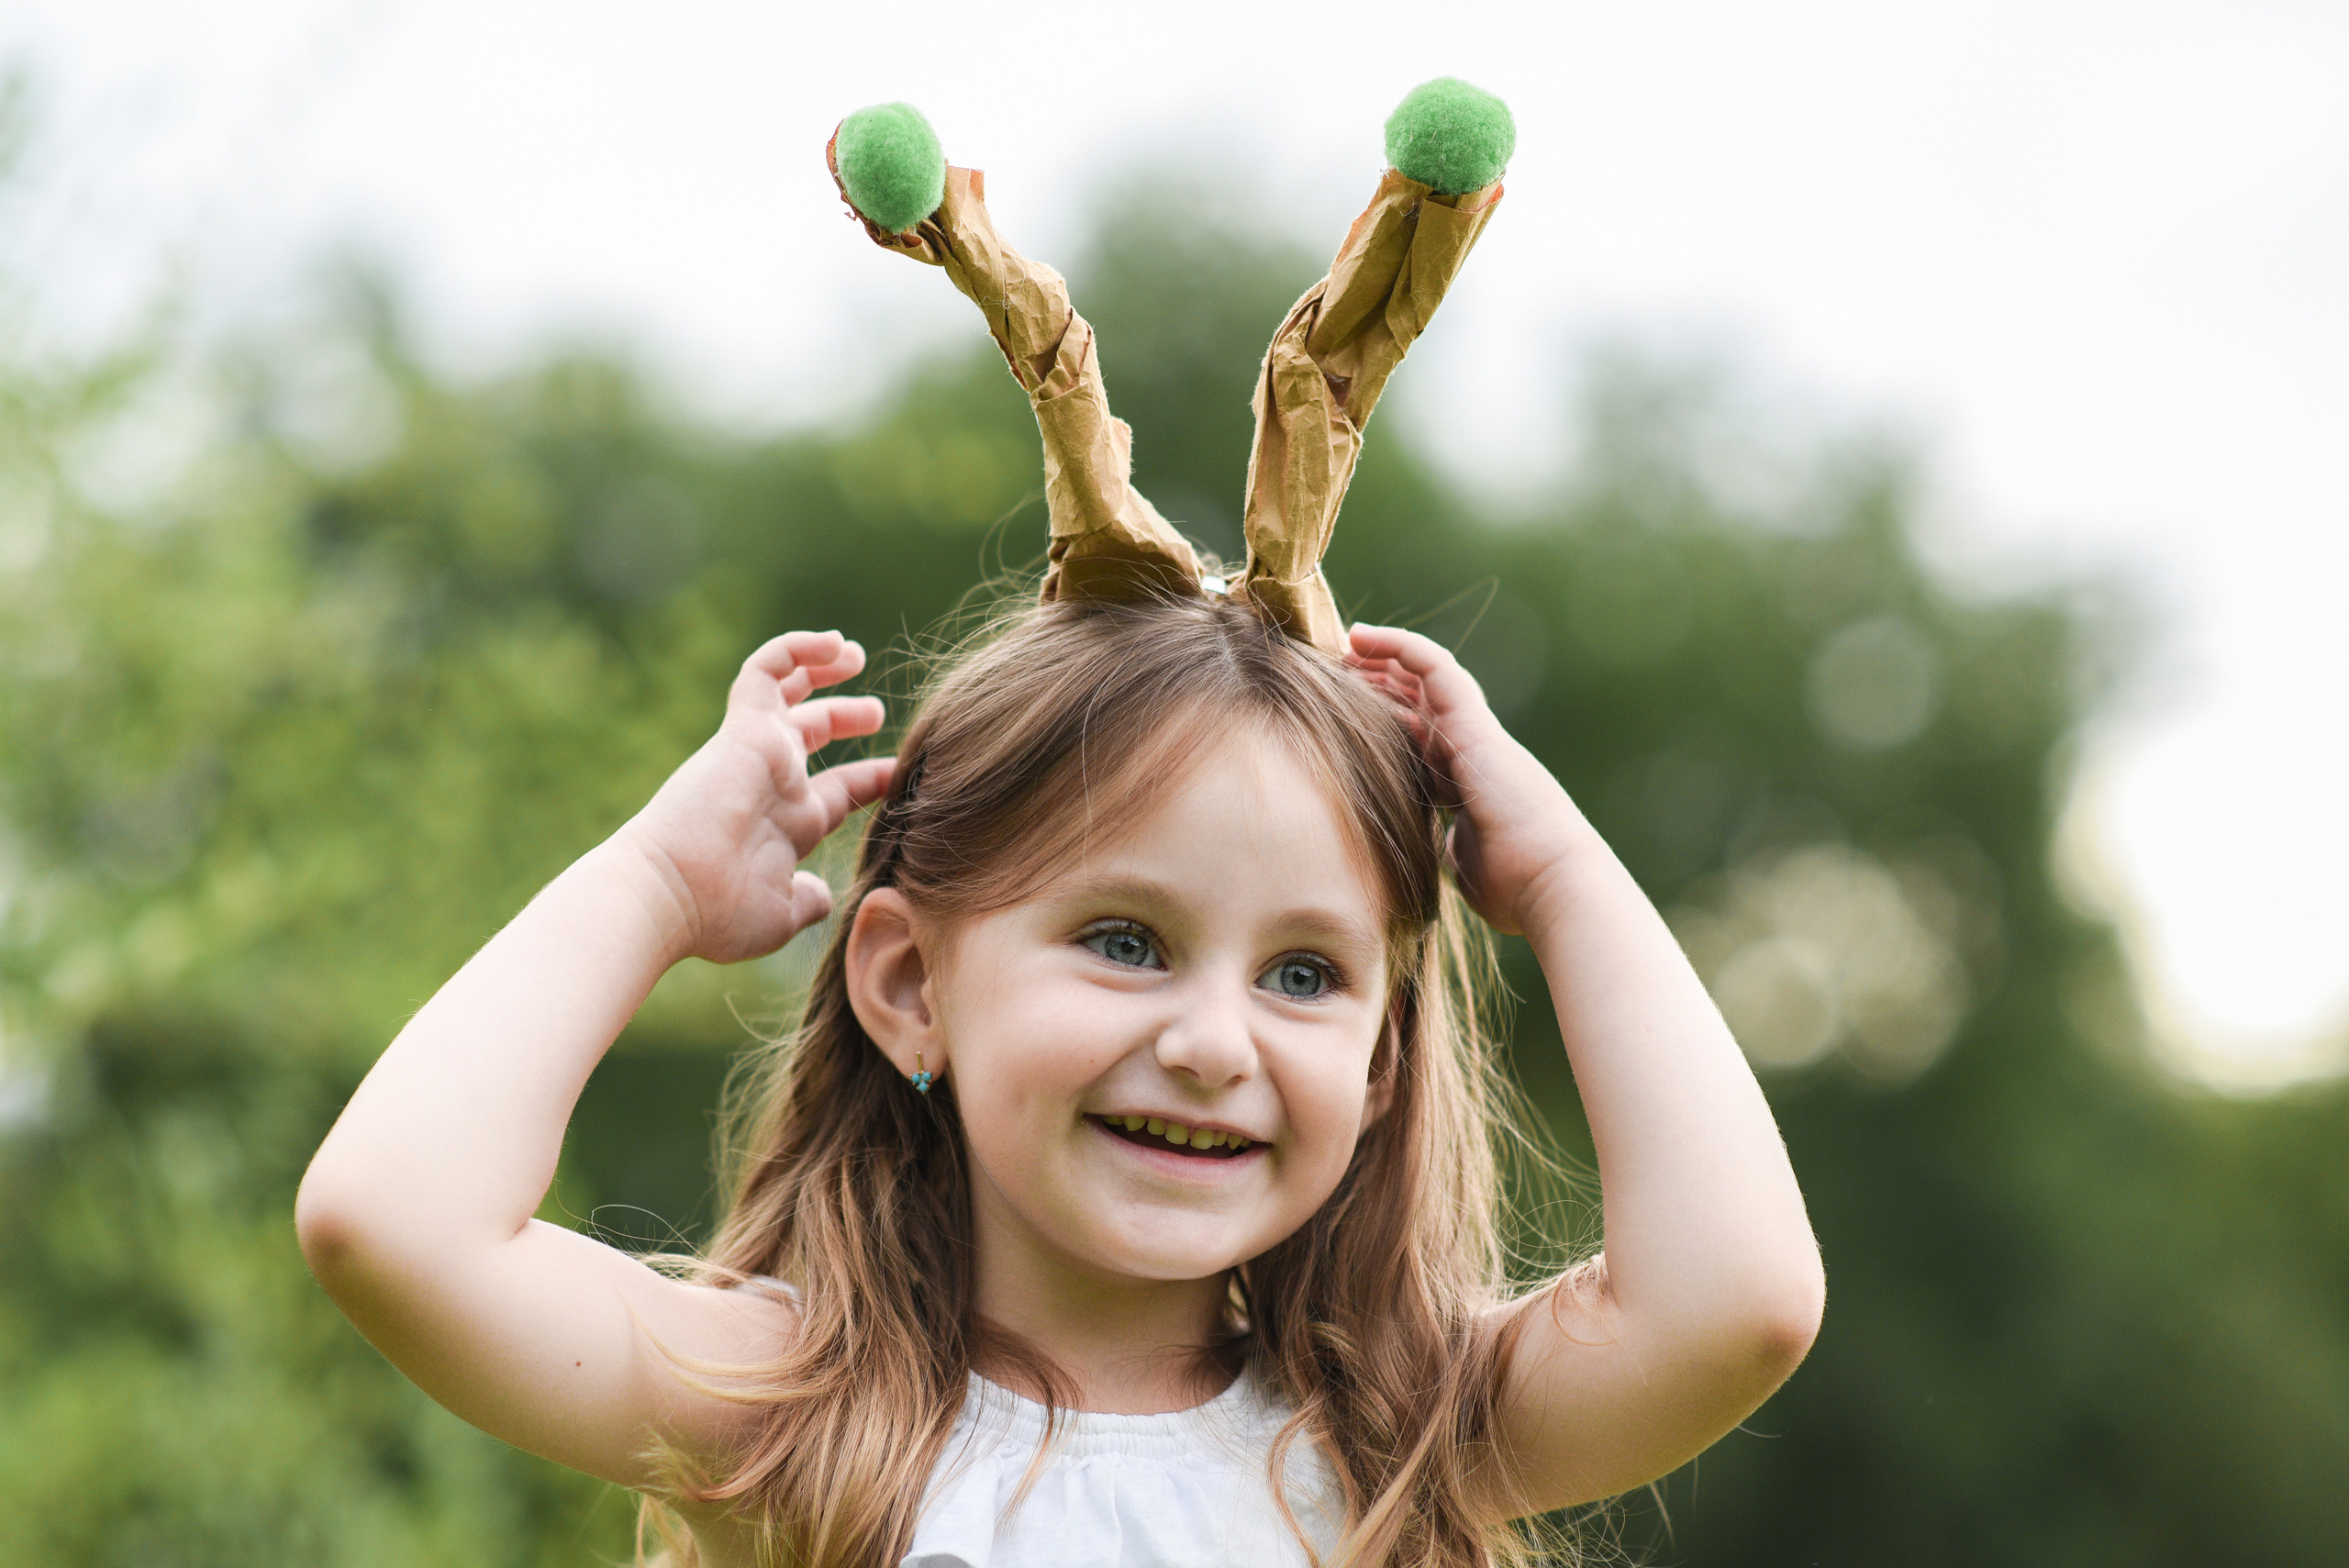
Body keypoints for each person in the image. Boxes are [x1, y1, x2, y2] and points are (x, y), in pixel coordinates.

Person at [297, 85, 1822, 1568]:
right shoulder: (798, 1414)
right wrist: (646, 882)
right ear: (906, 984)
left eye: (1305, 973)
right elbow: (396, 1225)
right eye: (1124, 940)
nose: (1216, 1039)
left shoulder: (1398, 1437)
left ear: (1379, 1064)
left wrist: (1560, 879)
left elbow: (1738, 1299)